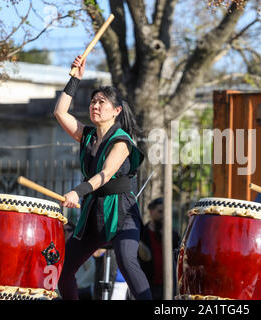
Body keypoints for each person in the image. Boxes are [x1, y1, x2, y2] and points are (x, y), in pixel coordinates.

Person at [55, 55, 152, 300]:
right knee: (64, 270)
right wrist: (74, 79)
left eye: (101, 102)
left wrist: (77, 191)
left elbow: (105, 174)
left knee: (127, 261)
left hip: (122, 212)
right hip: (93, 213)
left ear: (116, 110)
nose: (95, 106)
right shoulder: (87, 136)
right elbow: (59, 112)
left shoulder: (122, 140)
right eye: (93, 102)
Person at [138, 197, 180, 300]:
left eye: (166, 212)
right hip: (148, 285)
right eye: (160, 211)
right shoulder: (143, 234)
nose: (163, 215)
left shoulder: (173, 235)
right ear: (151, 212)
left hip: (169, 286)